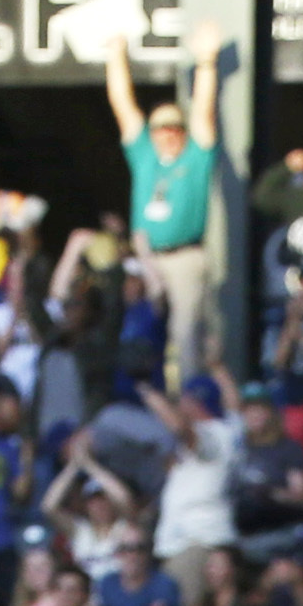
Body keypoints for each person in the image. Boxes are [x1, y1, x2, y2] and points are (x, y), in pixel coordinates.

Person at [106, 21, 227, 386]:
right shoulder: (145, 156)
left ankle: (188, 398)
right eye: (160, 129)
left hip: (184, 256)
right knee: (139, 328)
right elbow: (123, 106)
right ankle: (141, 393)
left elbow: (204, 114)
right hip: (146, 257)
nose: (167, 135)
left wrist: (207, 64)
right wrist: (115, 54)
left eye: (174, 128)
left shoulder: (195, 157)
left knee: (185, 331)